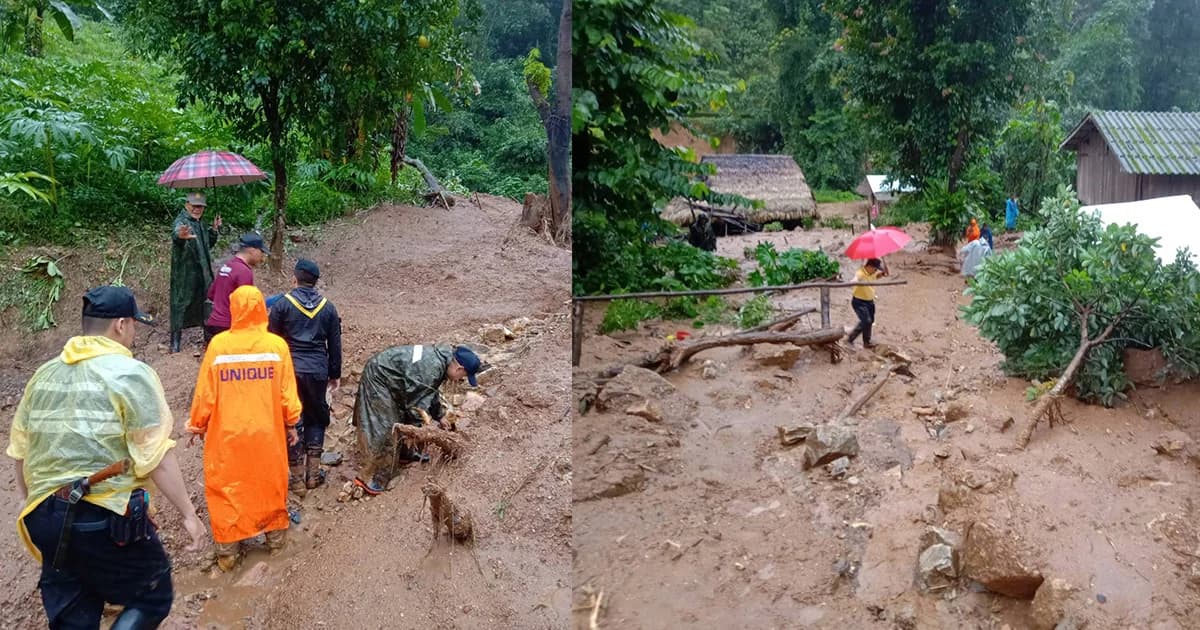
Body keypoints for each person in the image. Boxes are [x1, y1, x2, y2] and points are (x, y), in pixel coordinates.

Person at [6, 285, 207, 629]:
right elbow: (154, 453)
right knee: (152, 594)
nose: (132, 334)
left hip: (44, 515)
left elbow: (20, 451)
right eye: (133, 326)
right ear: (121, 325)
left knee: (74, 614)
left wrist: (38, 504)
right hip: (104, 517)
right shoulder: (129, 373)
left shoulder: (44, 374)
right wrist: (189, 514)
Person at [187, 285, 301, 572]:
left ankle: (227, 552)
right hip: (267, 434)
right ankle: (275, 542)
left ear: (234, 310)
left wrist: (197, 425)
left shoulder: (219, 347)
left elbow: (205, 394)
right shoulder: (276, 347)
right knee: (269, 484)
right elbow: (288, 396)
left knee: (226, 487)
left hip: (227, 436)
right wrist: (291, 423)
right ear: (262, 310)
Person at [352, 344, 481, 495]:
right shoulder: (431, 367)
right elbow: (416, 405)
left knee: (402, 417)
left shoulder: (441, 362)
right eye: (463, 376)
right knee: (384, 426)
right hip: (379, 378)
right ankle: (374, 476)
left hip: (396, 381)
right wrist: (422, 429)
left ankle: (404, 454)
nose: (460, 380)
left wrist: (439, 415)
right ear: (459, 369)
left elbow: (428, 391)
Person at [268, 259, 343, 496]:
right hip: (318, 370)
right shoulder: (328, 307)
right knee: (316, 417)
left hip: (289, 370)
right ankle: (313, 474)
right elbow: (335, 343)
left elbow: (272, 341)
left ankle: (297, 479)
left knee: (292, 420)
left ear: (295, 279)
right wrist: (335, 373)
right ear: (316, 282)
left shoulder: (282, 305)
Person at [169, 191, 221, 353]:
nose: (197, 209)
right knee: (180, 303)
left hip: (203, 271)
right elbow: (176, 233)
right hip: (185, 273)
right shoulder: (182, 221)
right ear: (187, 205)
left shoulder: (201, 223)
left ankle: (208, 339)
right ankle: (174, 343)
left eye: (200, 207)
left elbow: (208, 245)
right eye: (194, 206)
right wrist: (180, 236)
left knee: (206, 303)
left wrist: (213, 230)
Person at [204, 232, 269, 344]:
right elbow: (246, 306)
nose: (262, 256)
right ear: (252, 250)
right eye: (261, 252)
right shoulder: (244, 271)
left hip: (212, 325)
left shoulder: (226, 266)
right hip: (229, 327)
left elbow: (211, 294)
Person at [846, 258, 887, 349]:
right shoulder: (861, 272)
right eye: (875, 269)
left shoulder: (871, 273)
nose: (876, 271)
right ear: (869, 266)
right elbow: (856, 278)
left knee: (870, 321)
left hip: (870, 301)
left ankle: (866, 342)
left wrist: (883, 272)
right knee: (866, 321)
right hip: (859, 302)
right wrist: (854, 281)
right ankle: (850, 339)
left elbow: (878, 276)